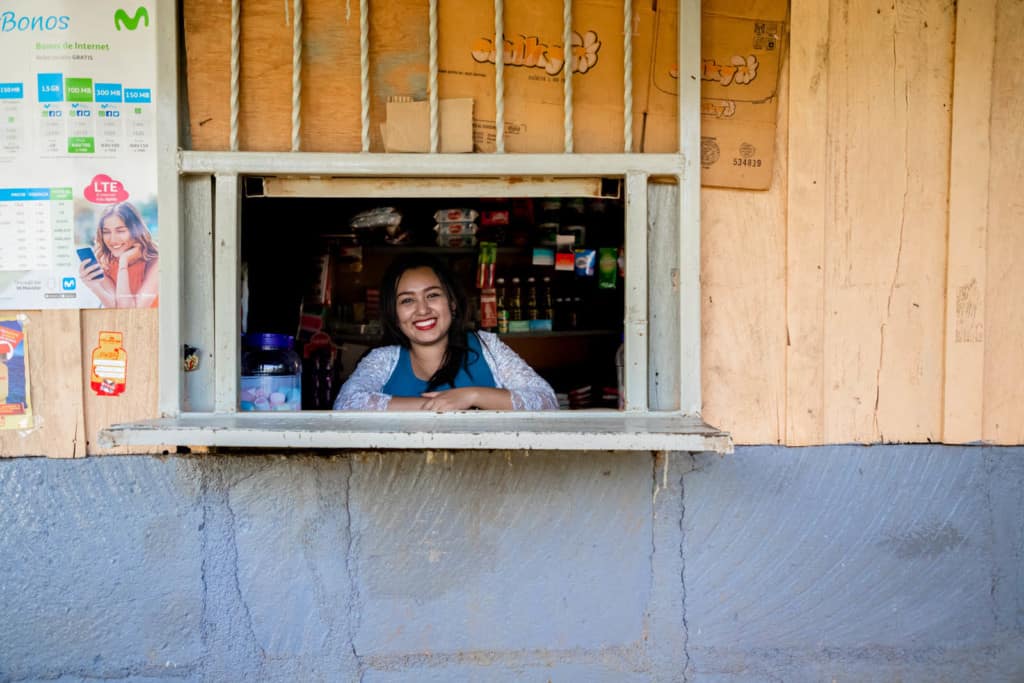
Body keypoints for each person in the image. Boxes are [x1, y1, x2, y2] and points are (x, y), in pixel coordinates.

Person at [334, 253, 558, 411]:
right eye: (407, 300)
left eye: (432, 295)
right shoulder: (383, 360)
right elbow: (347, 404)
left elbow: (546, 401)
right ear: (394, 314)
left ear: (452, 302)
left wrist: (472, 396)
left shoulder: (488, 347)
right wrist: (441, 405)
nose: (422, 310)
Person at [78, 202, 159, 308]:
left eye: (120, 231)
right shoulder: (105, 263)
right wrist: (94, 286)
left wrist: (123, 262)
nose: (113, 240)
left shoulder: (155, 261)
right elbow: (116, 308)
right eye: (106, 232)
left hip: (153, 322)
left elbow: (132, 312)